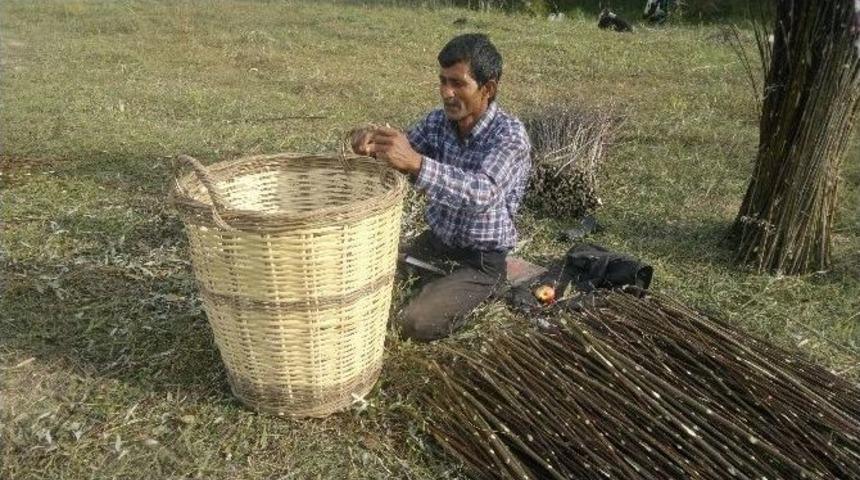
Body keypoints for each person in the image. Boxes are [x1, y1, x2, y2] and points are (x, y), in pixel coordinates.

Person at [350, 33, 531, 342]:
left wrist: (417, 164)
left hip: (481, 261)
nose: (447, 93)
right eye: (443, 81)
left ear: (488, 88)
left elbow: (483, 192)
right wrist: (374, 141)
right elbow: (405, 147)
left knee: (414, 323)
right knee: (361, 283)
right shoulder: (438, 122)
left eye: (458, 84)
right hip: (435, 244)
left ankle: (475, 290)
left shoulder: (510, 136)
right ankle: (438, 283)